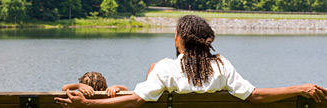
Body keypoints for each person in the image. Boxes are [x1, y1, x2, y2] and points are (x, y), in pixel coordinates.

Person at [54, 15, 327, 108]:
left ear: (180, 39)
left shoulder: (165, 68)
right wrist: (299, 88)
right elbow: (254, 96)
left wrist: (88, 104)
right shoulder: (221, 66)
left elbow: (135, 100)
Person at [62, 72, 128, 97]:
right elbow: (125, 89)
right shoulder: (108, 97)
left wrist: (78, 86)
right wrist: (115, 87)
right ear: (105, 87)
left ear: (81, 89)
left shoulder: (78, 99)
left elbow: (64, 88)